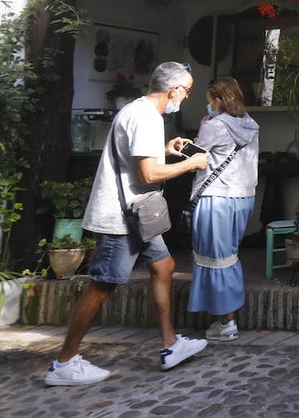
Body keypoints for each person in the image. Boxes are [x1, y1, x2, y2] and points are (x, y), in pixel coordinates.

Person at [44, 61, 210, 386]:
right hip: (122, 218)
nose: (187, 96)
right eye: (187, 90)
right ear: (173, 89)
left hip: (138, 214)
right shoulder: (146, 117)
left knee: (164, 266)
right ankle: (64, 363)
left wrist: (165, 150)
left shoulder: (139, 111)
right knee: (102, 286)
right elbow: (148, 174)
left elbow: (135, 160)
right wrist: (192, 163)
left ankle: (170, 345)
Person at [187, 76, 260, 343]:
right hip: (243, 197)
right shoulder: (251, 123)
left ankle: (226, 322)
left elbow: (197, 159)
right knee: (228, 256)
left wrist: (198, 131)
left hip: (216, 197)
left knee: (214, 258)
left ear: (218, 100)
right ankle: (226, 314)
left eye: (209, 101)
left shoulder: (215, 126)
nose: (209, 105)